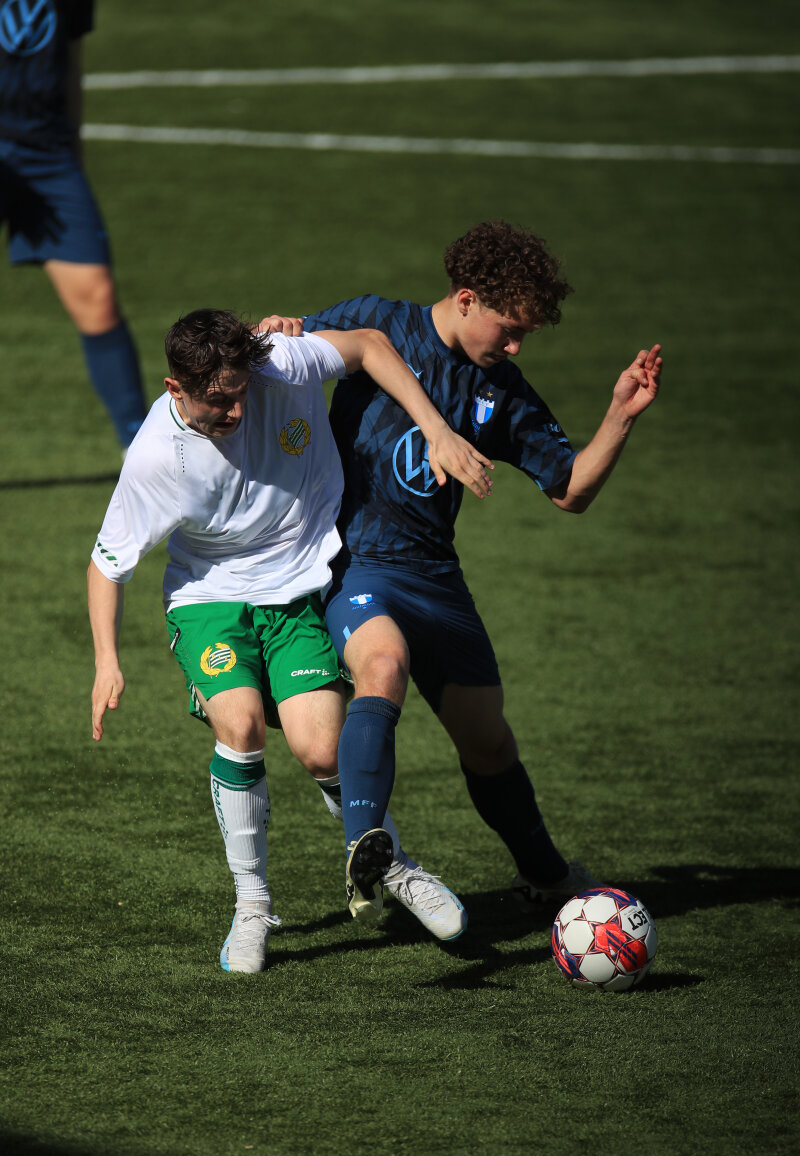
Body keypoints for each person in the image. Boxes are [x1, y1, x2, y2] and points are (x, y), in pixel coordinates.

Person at [88, 309, 492, 972]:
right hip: (209, 601)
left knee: (322, 749)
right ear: (174, 388)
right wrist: (107, 662)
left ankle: (393, 865)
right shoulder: (156, 456)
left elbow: (370, 345)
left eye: (241, 391)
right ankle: (252, 905)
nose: (236, 409)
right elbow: (107, 565)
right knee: (241, 724)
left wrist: (436, 428)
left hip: (296, 589)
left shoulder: (279, 363)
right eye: (218, 400)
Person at [291, 219, 663, 918]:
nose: (516, 346)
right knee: (382, 668)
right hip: (357, 562)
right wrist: (278, 329)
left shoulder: (504, 388)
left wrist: (620, 416)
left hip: (436, 576)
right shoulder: (377, 320)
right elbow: (285, 350)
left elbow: (570, 489)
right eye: (509, 329)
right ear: (466, 299)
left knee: (488, 742)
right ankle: (366, 847)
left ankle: (546, 875)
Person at [0, 0, 147, 450]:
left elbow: (70, 63)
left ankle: (142, 455)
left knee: (97, 299)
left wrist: (73, 153)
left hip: (48, 154)